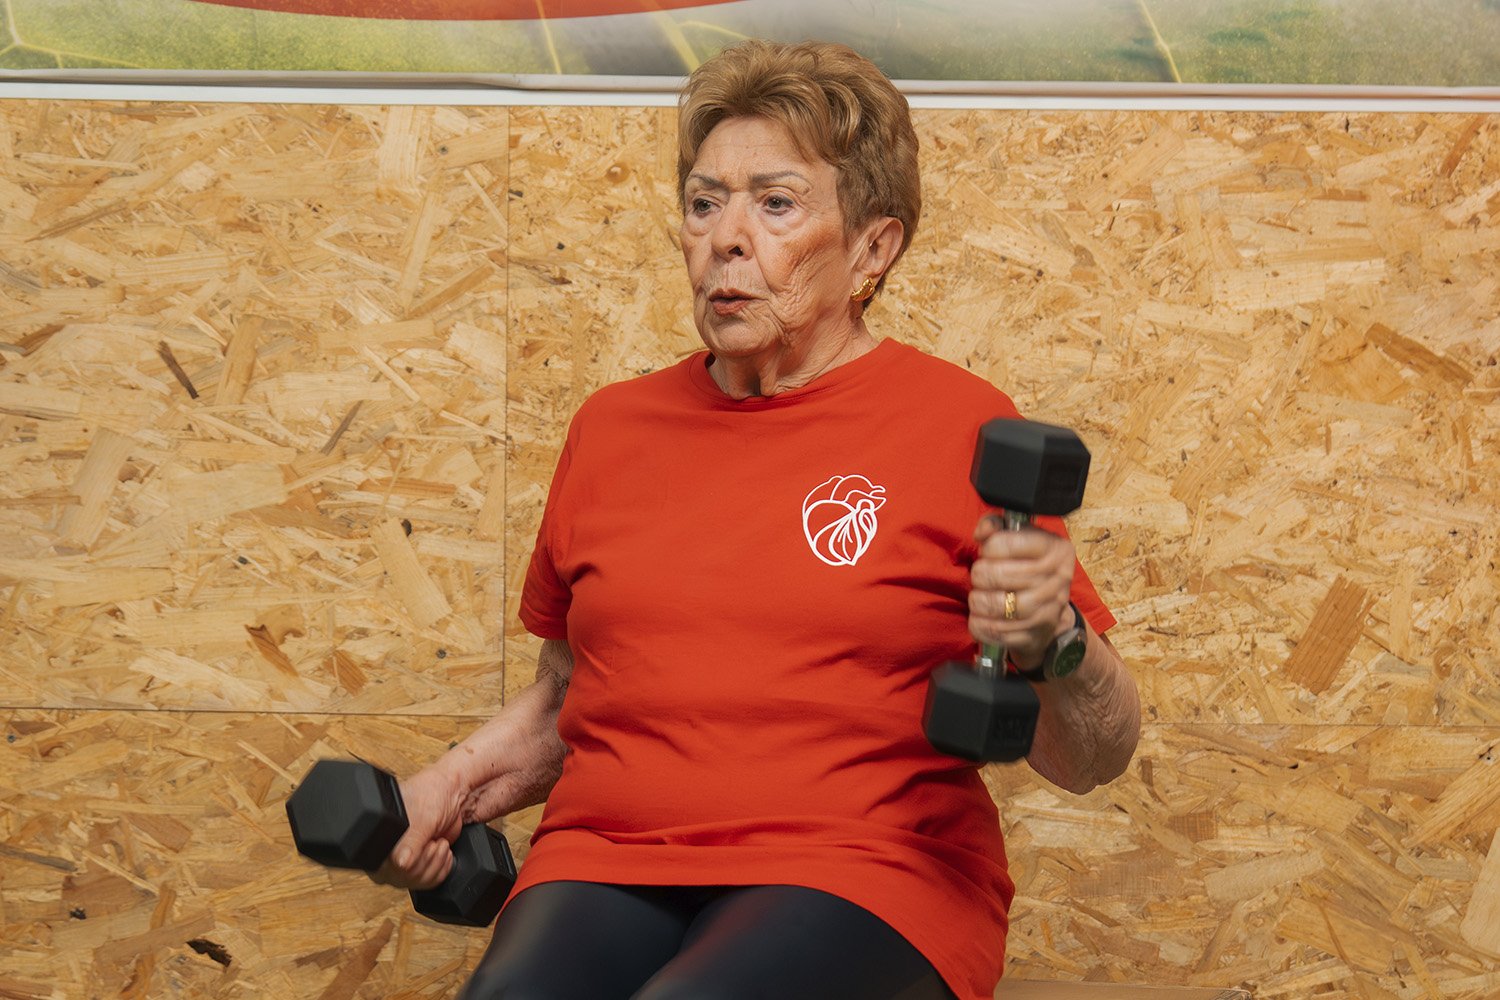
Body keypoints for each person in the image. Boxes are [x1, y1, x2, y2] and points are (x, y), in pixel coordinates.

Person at [374, 39, 1141, 1000]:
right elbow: (572, 693)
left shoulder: (960, 426)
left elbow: (1090, 756)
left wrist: (1054, 641)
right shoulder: (613, 429)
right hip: (607, 856)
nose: (726, 239)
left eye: (776, 204)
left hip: (864, 867)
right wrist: (447, 790)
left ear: (873, 249)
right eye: (705, 203)